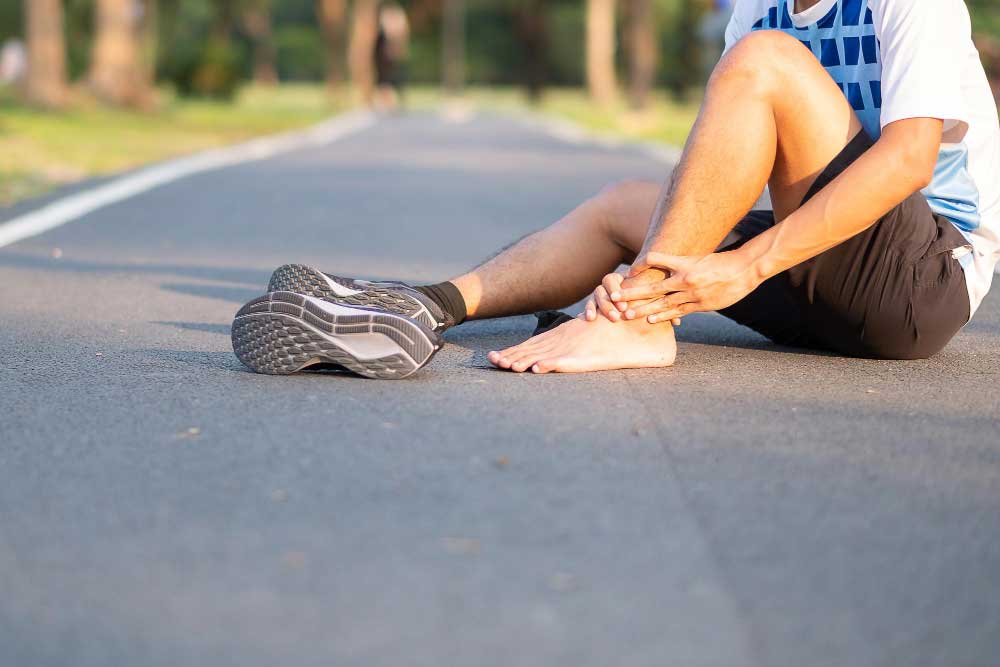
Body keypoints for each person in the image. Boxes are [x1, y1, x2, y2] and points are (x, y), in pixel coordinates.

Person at [233, 0, 1000, 379]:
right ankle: (425, 304)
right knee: (629, 204)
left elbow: (909, 160)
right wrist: (656, 257)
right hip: (824, 273)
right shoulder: (756, 5)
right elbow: (722, 167)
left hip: (922, 280)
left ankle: (642, 326)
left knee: (765, 61)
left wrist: (742, 266)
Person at [373, 3, 409, 111]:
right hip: (383, 54)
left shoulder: (394, 15)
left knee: (393, 77)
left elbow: (401, 33)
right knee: (384, 78)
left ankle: (393, 100)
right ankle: (387, 100)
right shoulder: (383, 17)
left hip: (389, 53)